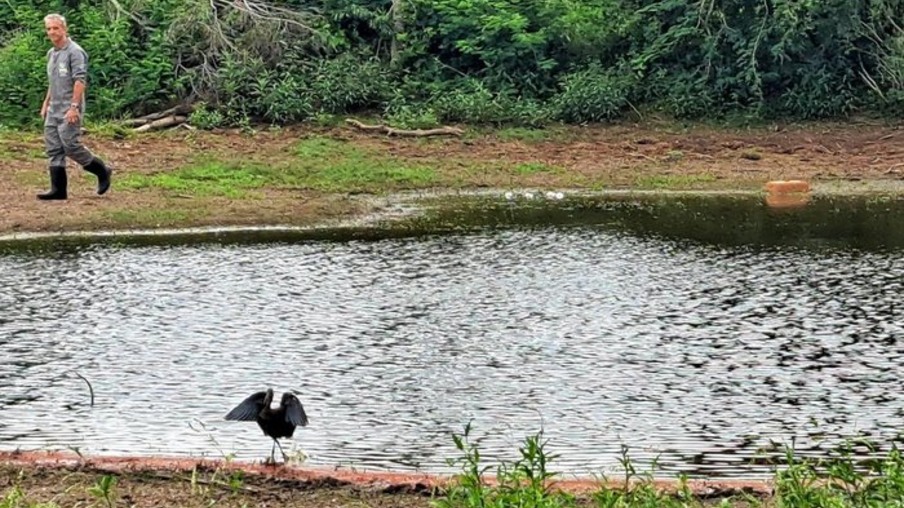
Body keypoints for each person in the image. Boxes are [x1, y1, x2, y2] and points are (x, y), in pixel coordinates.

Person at [38, 13, 112, 200]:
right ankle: (58, 190)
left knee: (70, 145)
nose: (52, 32)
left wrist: (74, 107)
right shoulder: (51, 53)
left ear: (64, 28)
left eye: (56, 28)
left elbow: (80, 81)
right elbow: (53, 81)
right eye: (49, 29)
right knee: (53, 147)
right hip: (54, 107)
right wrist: (46, 102)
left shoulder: (75, 52)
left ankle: (102, 170)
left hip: (69, 106)